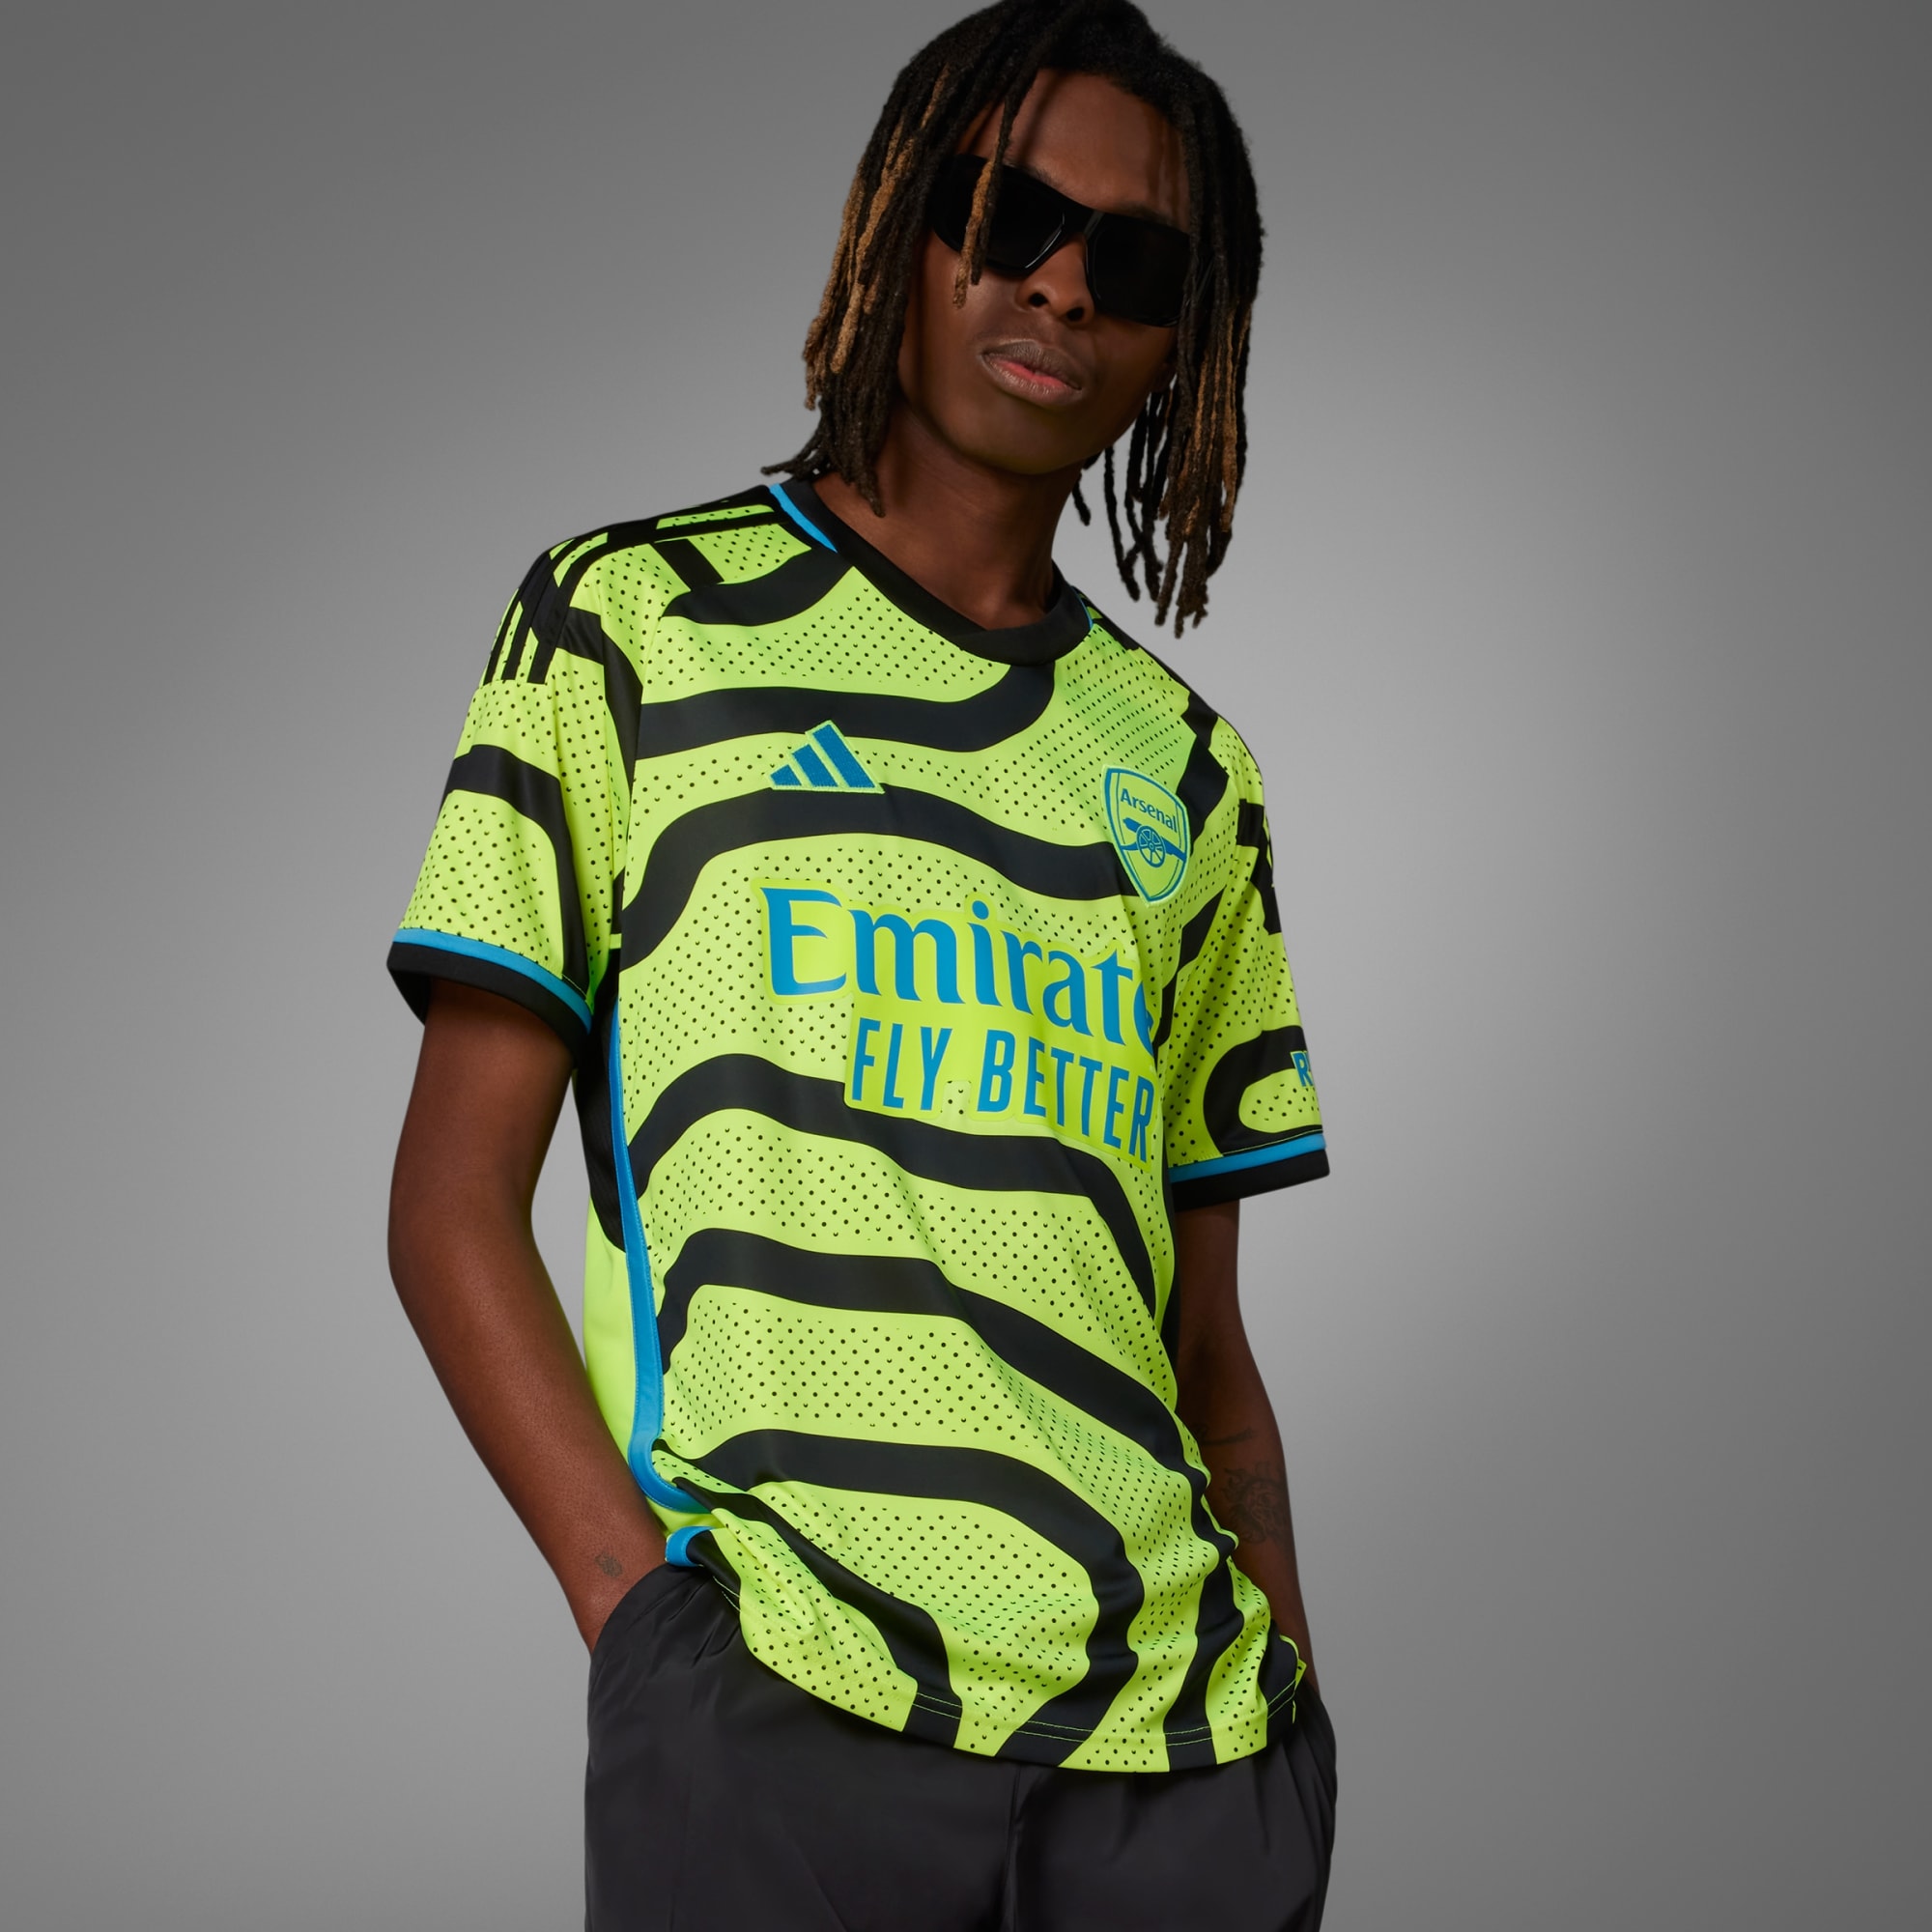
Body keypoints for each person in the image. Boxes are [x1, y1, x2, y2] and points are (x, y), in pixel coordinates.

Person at [386, 3, 1336, 1924]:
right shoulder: (631, 627)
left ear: (1184, 339)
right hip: (781, 1713)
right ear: (903, 223)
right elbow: (449, 1204)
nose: (1061, 287)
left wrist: (1289, 1701)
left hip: (1183, 1771)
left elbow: (1203, 1341)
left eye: (1135, 263)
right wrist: (641, 1621)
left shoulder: (1185, 769)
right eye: (1011, 216)